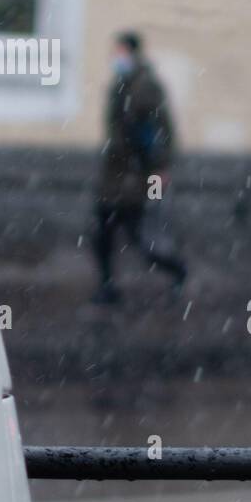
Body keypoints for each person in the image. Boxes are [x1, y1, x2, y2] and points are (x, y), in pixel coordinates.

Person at [91, 31, 188, 304]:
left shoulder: (145, 86)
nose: (115, 56)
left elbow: (160, 130)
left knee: (142, 238)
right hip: (115, 174)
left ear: (132, 53)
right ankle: (107, 286)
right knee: (103, 233)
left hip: (136, 177)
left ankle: (177, 271)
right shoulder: (122, 83)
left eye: (120, 51)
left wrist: (160, 170)